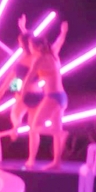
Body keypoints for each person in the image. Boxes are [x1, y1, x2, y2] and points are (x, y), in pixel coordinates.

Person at [20, 22, 70, 170]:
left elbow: (29, 77)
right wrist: (63, 32)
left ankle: (62, 134)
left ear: (35, 47)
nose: (29, 48)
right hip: (62, 97)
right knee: (55, 129)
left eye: (30, 45)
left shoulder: (40, 59)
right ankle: (57, 162)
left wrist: (22, 93)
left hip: (52, 97)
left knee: (35, 127)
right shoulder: (53, 53)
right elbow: (60, 41)